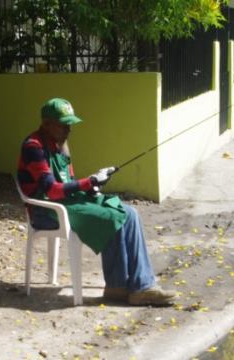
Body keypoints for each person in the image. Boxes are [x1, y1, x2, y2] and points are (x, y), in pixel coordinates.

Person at [17, 98, 176, 307]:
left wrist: (94, 185)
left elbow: (68, 183)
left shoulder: (60, 146)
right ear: (47, 124)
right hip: (45, 211)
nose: (69, 129)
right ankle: (141, 289)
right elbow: (51, 190)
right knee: (113, 216)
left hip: (68, 203)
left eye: (70, 123)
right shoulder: (34, 147)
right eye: (63, 124)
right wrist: (89, 182)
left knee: (129, 213)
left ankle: (118, 287)